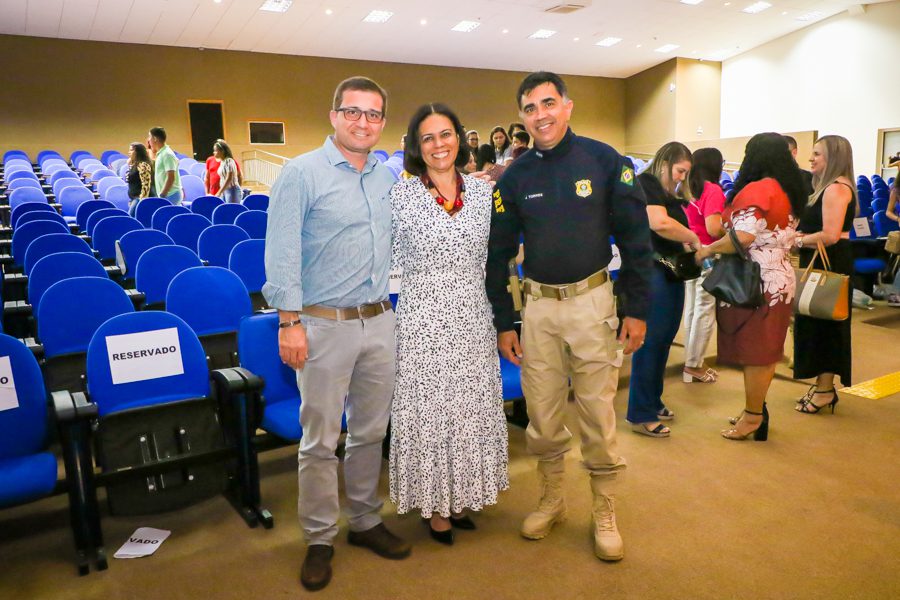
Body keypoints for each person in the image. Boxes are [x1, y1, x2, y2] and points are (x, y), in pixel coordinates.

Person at [486, 71, 652, 561]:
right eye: (531, 108)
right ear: (522, 117)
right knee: (541, 415)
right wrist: (504, 321)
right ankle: (553, 499)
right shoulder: (514, 177)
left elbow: (636, 242)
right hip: (537, 310)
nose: (542, 115)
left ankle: (604, 509)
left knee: (598, 415)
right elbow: (498, 255)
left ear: (568, 106)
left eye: (549, 103)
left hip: (593, 305)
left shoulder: (605, 161)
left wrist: (636, 309)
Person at [263, 76, 411, 592]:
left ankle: (366, 520)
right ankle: (320, 536)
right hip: (322, 325)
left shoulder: (387, 177)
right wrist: (289, 322)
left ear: (382, 124)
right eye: (353, 111)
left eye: (373, 115)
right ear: (334, 115)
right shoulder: (301, 173)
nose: (362, 122)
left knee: (370, 432)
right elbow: (281, 251)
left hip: (379, 320)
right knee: (320, 441)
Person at [388, 103, 508, 546]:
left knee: (468, 406)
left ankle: (461, 497)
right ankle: (435, 505)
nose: (439, 145)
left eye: (446, 134)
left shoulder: (480, 194)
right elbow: (387, 256)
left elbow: (495, 257)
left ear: (460, 137)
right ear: (416, 147)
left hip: (473, 314)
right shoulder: (401, 194)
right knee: (431, 409)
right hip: (422, 316)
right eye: (428, 138)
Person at [694, 132, 807, 441]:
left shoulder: (758, 189)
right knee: (767, 350)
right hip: (780, 277)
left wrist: (707, 249)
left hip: (757, 280)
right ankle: (754, 410)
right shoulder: (789, 190)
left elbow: (742, 237)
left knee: (758, 352)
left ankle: (754, 416)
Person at [626, 142, 701, 438]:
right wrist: (694, 238)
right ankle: (640, 413)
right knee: (650, 341)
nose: (682, 177)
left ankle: (653, 400)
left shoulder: (668, 191)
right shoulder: (647, 183)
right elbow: (658, 223)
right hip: (652, 272)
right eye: (680, 170)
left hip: (670, 271)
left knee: (664, 340)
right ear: (666, 162)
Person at [792, 135, 857, 413]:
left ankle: (825, 390)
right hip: (823, 260)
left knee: (827, 327)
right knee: (818, 326)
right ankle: (822, 386)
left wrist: (795, 240)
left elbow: (830, 235)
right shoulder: (829, 187)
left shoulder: (836, 189)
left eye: (817, 154)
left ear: (833, 158)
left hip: (829, 262)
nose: (811, 158)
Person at [682, 147, 727, 384]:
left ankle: (692, 360)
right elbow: (713, 228)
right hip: (708, 254)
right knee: (705, 311)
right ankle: (694, 365)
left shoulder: (687, 188)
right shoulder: (713, 190)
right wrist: (729, 232)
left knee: (692, 308)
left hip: (689, 252)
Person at [148, 126, 183, 205]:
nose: (148, 140)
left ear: (155, 139)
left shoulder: (167, 154)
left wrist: (162, 194)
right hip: (167, 195)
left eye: (149, 137)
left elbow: (171, 177)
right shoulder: (161, 153)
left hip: (170, 195)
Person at [126, 142, 153, 217]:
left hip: (140, 199)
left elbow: (146, 185)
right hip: (134, 198)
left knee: (130, 220)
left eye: (131, 150)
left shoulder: (143, 165)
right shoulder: (135, 164)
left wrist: (141, 202)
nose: (129, 152)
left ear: (138, 152)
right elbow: (129, 179)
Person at [213, 139, 243, 204]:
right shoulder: (222, 162)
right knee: (226, 210)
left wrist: (219, 192)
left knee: (232, 211)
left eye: (215, 151)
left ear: (222, 151)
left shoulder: (229, 161)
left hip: (232, 190)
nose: (214, 152)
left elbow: (229, 179)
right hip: (224, 190)